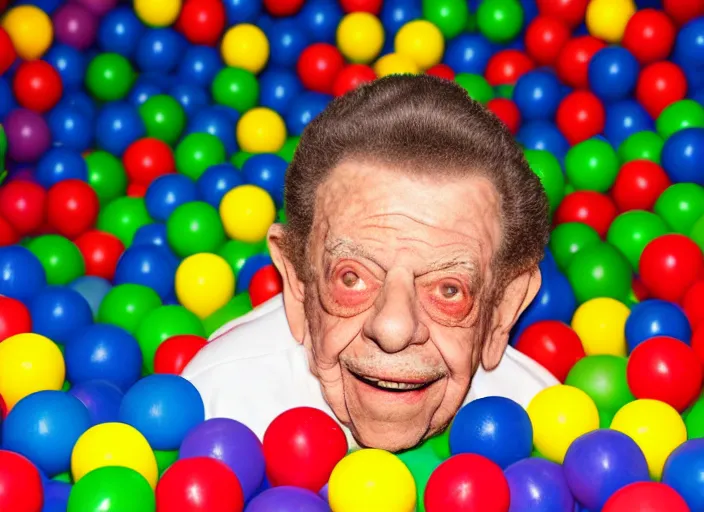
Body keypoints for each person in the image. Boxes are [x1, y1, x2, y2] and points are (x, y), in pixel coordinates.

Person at [182, 75, 558, 452]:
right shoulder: (217, 411)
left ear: (502, 311)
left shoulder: (543, 431)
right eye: (352, 278)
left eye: (448, 289)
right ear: (298, 281)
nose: (393, 330)